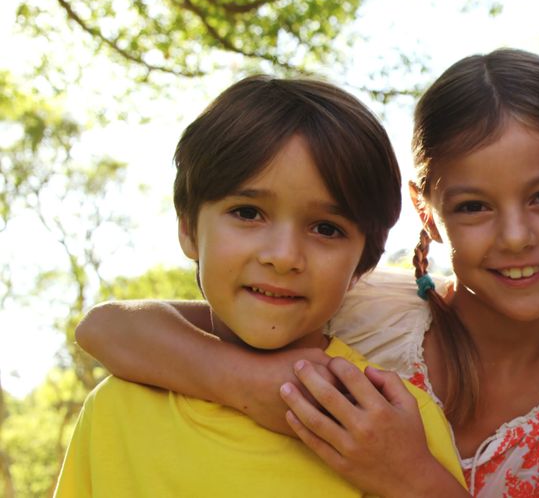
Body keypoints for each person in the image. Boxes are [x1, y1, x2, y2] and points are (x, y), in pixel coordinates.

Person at [75, 50, 539, 497]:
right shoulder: (362, 305)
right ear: (428, 212)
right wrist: (259, 387)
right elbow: (109, 329)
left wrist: (412, 478)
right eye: (474, 206)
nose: (516, 236)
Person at [55, 75, 466, 497]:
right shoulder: (116, 411)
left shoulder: (394, 423)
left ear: (363, 262)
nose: (284, 256)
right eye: (248, 213)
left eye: (326, 228)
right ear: (188, 228)